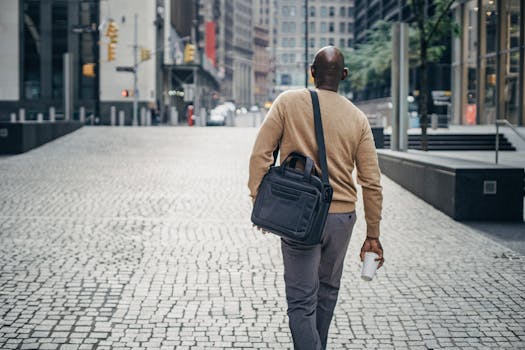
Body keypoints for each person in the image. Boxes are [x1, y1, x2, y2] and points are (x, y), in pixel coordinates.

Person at [248, 46, 384, 350]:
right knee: (327, 293)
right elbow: (371, 183)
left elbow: (260, 154)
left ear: (312, 72)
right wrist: (372, 235)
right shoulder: (358, 119)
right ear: (344, 76)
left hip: (299, 214)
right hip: (341, 219)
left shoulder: (288, 102)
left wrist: (261, 201)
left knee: (300, 302)